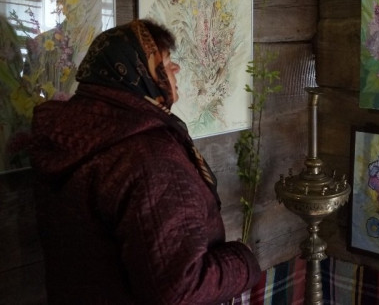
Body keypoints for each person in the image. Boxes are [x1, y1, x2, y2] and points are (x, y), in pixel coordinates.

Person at [29, 19, 261, 304]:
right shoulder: (148, 158)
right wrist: (243, 261)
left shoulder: (76, 134)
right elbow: (180, 290)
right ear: (136, 73)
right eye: (165, 62)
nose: (175, 69)